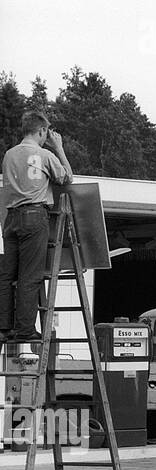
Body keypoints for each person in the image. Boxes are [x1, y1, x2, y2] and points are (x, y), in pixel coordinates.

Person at [0, 111, 73, 352]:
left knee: (7, 275)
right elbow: (67, 179)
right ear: (41, 131)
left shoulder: (9, 155)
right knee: (30, 276)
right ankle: (25, 329)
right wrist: (59, 148)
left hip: (10, 219)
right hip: (34, 216)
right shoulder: (44, 154)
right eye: (45, 134)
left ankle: (4, 327)